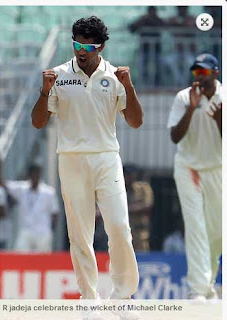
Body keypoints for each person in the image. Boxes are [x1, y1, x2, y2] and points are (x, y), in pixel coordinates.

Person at [31, 15, 143, 311]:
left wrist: (129, 87)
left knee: (119, 226)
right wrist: (44, 91)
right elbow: (39, 123)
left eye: (88, 46)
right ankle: (89, 297)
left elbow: (135, 121)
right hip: (71, 159)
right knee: (79, 232)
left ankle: (122, 294)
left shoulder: (115, 76)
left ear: (101, 46)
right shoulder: (58, 75)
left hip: (107, 157)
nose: (81, 51)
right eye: (77, 44)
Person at [167, 53, 222, 301]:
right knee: (196, 226)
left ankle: (208, 285)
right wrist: (191, 108)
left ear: (216, 73)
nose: (199, 76)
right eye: (196, 72)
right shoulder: (183, 97)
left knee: (217, 232)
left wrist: (220, 118)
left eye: (204, 72)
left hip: (217, 169)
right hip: (188, 167)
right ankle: (197, 290)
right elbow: (175, 137)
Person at [5, 163, 59, 252]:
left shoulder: (49, 192)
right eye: (34, 173)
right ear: (29, 174)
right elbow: (4, 184)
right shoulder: (22, 189)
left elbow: (55, 213)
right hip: (26, 230)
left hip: (43, 231)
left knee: (43, 261)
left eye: (38, 173)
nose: (36, 175)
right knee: (20, 256)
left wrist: (50, 231)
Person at [128, 6, 165, 86]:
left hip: (157, 50)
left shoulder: (158, 20)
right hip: (143, 50)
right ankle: (142, 83)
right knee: (141, 67)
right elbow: (131, 28)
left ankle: (157, 83)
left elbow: (166, 26)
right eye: (150, 12)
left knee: (159, 66)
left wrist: (154, 20)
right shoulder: (143, 20)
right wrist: (142, 21)